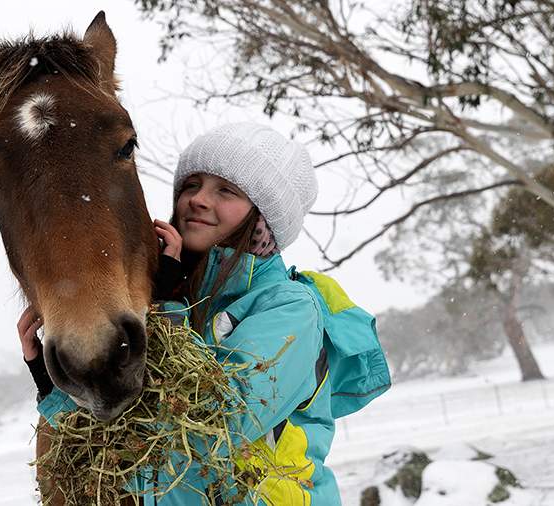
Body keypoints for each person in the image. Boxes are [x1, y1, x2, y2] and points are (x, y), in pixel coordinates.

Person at [19, 122, 363, 505]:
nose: (198, 199)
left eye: (226, 190)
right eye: (191, 185)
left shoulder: (290, 309)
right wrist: (58, 386)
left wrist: (168, 301)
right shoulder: (166, 296)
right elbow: (113, 440)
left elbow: (212, 429)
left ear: (264, 219)